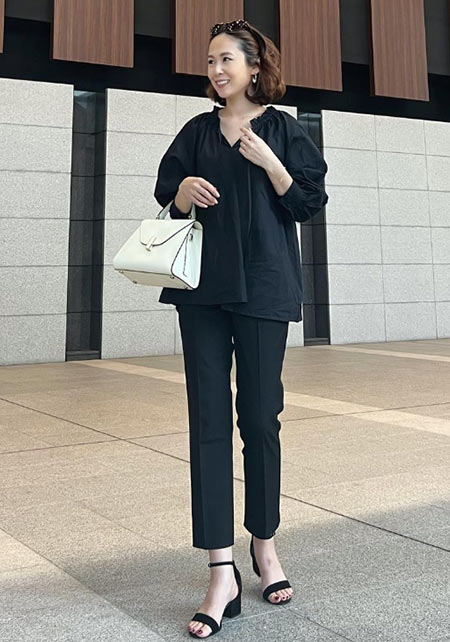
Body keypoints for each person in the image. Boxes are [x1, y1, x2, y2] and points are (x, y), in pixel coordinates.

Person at [153, 19, 329, 639]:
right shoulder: (196, 132)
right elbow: (165, 196)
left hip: (264, 290)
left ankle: (264, 544)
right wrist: (183, 193)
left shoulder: (283, 129)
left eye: (226, 59)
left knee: (259, 419)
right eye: (210, 61)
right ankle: (219, 569)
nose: (216, 70)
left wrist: (270, 162)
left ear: (256, 66)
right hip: (201, 294)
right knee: (208, 423)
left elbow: (308, 202)